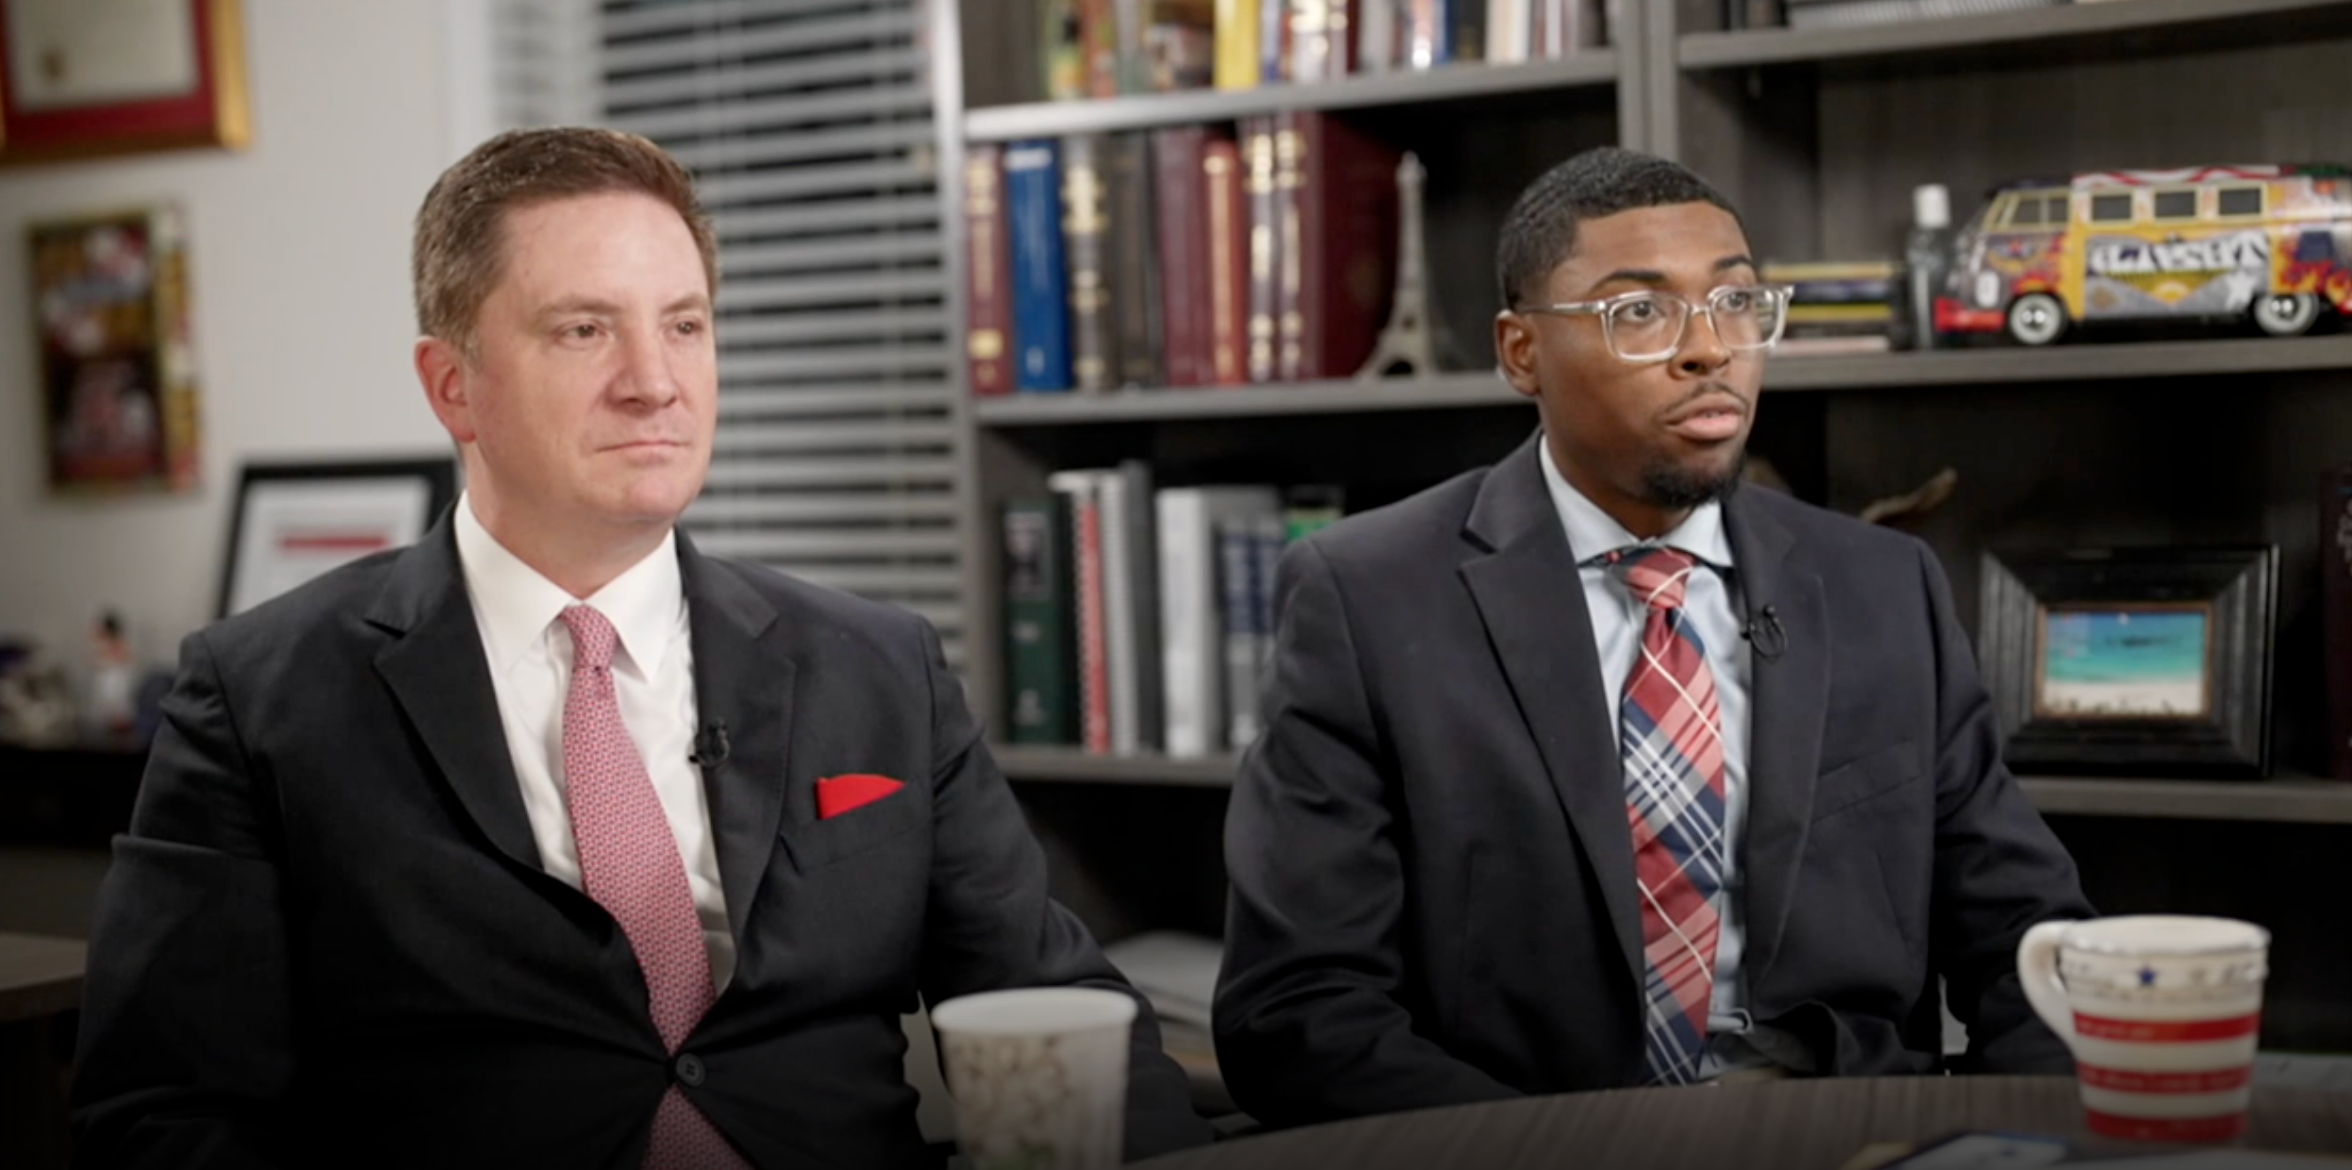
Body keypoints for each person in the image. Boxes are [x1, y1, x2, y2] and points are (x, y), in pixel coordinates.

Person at [71, 127, 1210, 1169]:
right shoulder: (259, 696)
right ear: (452, 386)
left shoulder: (881, 667)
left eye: (685, 325)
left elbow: (1060, 1011)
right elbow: (161, 1116)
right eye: (583, 329)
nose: (654, 381)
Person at [1213, 147, 2095, 1127]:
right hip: (1528, 1138)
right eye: (1639, 312)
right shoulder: (1366, 597)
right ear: (1520, 352)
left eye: (1735, 304)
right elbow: (1295, 1013)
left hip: (1842, 1130)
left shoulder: (1884, 585)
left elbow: (2031, 937)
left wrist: (2012, 1135)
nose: (1709, 349)